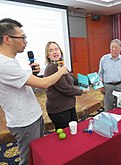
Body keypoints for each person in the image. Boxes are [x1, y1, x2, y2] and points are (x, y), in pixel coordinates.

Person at [0, 18, 68, 165]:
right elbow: (44, 84)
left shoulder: (11, 61)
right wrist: (61, 70)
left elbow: (25, 87)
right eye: (22, 37)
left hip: (32, 116)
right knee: (28, 159)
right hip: (24, 122)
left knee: (38, 153)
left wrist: (34, 74)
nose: (26, 41)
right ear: (7, 39)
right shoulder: (4, 64)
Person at [44, 41, 87, 130]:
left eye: (56, 49)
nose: (55, 52)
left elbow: (73, 80)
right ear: (48, 55)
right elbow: (66, 88)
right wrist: (82, 91)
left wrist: (89, 80)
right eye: (51, 50)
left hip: (68, 106)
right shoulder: (52, 68)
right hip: (59, 109)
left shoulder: (61, 66)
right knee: (66, 136)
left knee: (74, 132)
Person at [98, 39, 121, 111]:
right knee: (108, 108)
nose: (113, 49)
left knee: (120, 107)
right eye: (112, 47)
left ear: (120, 49)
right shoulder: (104, 59)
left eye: (116, 47)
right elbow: (100, 74)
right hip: (108, 87)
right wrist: (100, 85)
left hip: (120, 86)